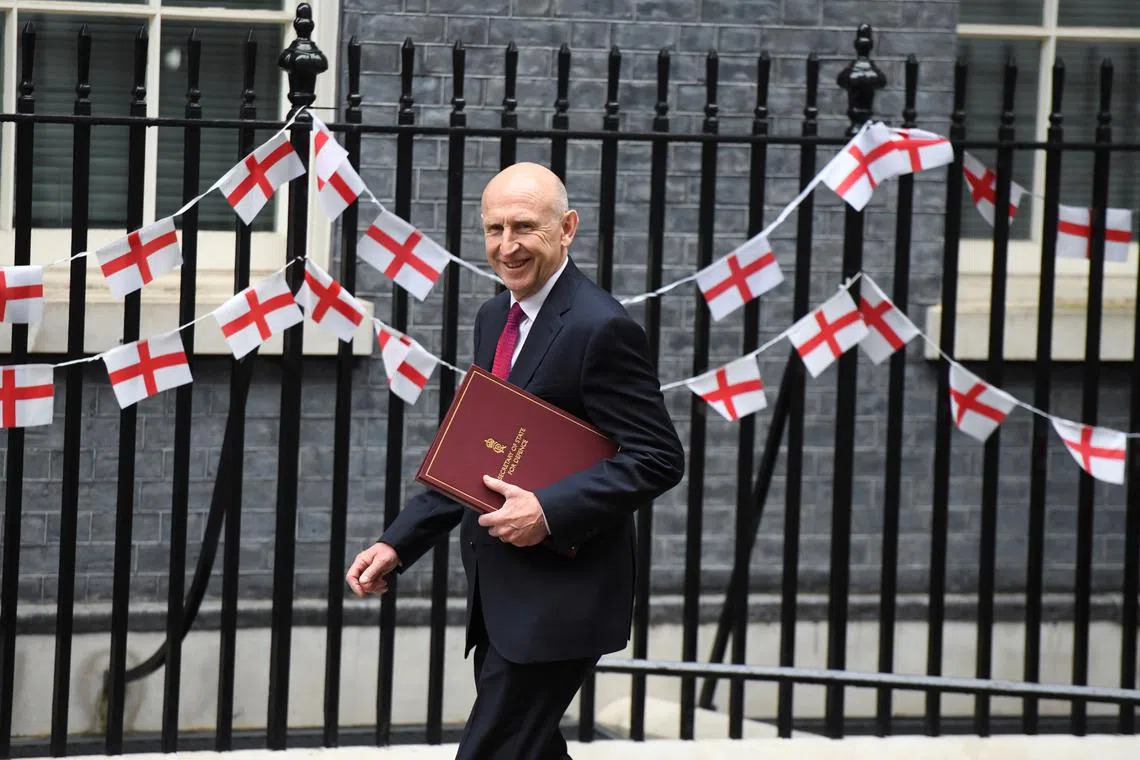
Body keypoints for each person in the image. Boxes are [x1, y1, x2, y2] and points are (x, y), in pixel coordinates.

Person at [345, 162, 686, 760]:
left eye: (524, 227)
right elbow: (473, 450)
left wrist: (549, 511)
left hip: (560, 601)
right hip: (501, 597)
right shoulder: (493, 318)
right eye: (494, 228)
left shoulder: (600, 326)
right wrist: (399, 543)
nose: (507, 246)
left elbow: (658, 457)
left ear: (567, 228)